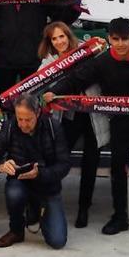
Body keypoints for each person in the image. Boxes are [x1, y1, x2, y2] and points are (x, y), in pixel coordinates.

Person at [48, 17, 129, 239]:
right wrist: (54, 91)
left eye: (125, 39)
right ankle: (120, 217)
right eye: (116, 39)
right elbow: (77, 79)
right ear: (109, 39)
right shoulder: (102, 62)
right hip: (121, 122)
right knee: (118, 169)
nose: (121, 43)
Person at [0, 92, 71, 250]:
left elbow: (64, 165)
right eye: (19, 118)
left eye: (28, 119)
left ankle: (37, 211)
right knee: (14, 193)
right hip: (20, 182)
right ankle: (16, 231)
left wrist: (41, 174)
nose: (23, 124)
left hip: (48, 186)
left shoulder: (53, 126)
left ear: (38, 112)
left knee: (57, 241)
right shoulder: (10, 127)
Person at [36, 22, 97, 227]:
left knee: (91, 162)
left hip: (92, 115)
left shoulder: (86, 51)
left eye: (62, 36)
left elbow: (85, 78)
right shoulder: (48, 61)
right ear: (49, 42)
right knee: (57, 160)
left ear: (68, 36)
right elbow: (38, 85)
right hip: (68, 116)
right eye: (54, 38)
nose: (59, 41)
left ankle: (84, 209)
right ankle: (51, 205)